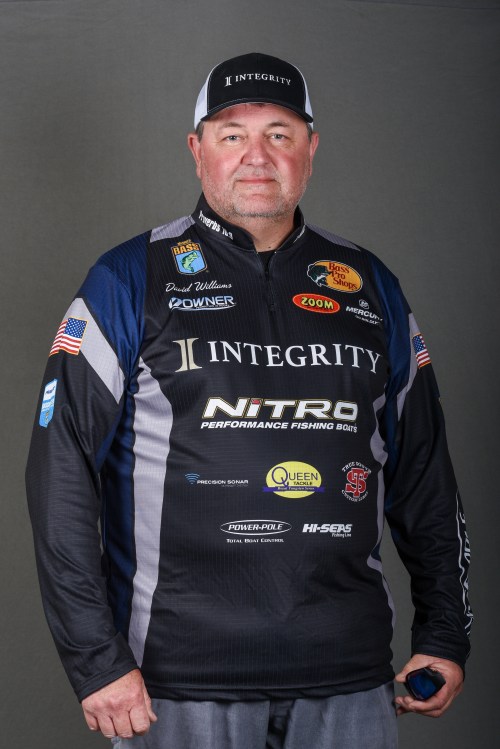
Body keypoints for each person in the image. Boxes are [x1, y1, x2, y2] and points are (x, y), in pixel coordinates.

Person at [26, 52, 472, 749]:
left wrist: (444, 631)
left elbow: (425, 473)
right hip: (172, 685)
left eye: (279, 134)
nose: (256, 156)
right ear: (197, 149)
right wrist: (95, 660)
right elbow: (61, 476)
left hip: (350, 678)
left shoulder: (370, 283)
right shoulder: (129, 278)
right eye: (232, 134)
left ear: (311, 149)